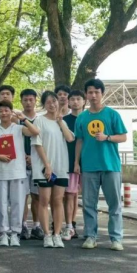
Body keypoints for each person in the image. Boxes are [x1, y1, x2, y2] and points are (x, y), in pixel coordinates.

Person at [75, 79, 127, 252]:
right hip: (89, 166)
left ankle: (116, 238)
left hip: (110, 165)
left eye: (97, 92)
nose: (93, 95)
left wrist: (107, 137)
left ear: (102, 94)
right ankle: (90, 236)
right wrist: (76, 162)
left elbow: (123, 137)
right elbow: (79, 141)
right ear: (86, 95)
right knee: (89, 204)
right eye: (90, 92)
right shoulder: (82, 117)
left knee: (114, 204)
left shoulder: (112, 114)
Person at [0, 101, 40, 248]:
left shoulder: (18, 128)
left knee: (18, 203)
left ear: (11, 112)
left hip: (18, 171)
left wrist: (24, 119)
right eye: (1, 111)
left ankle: (15, 233)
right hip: (0, 172)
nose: (4, 113)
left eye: (7, 110)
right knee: (0, 204)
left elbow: (35, 132)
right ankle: (3, 233)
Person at [32, 91, 74, 249]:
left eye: (54, 101)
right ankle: (47, 235)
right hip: (44, 167)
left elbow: (70, 138)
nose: (52, 104)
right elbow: (38, 144)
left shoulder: (61, 121)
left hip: (61, 166)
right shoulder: (39, 120)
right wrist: (47, 165)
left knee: (58, 201)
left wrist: (60, 121)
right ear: (44, 105)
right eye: (48, 102)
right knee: (44, 201)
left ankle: (57, 234)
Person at [63, 90, 86, 241]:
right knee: (69, 195)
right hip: (70, 162)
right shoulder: (64, 120)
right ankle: (69, 226)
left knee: (87, 196)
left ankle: (89, 228)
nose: (75, 102)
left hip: (89, 163)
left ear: (84, 101)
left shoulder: (89, 118)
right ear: (69, 102)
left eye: (78, 99)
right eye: (72, 99)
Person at [19, 89, 42, 241]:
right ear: (21, 101)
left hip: (37, 163)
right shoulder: (16, 119)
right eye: (25, 100)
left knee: (37, 196)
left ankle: (37, 225)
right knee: (22, 196)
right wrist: (23, 156)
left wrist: (34, 158)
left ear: (35, 101)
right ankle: (23, 226)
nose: (28, 102)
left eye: (31, 100)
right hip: (20, 163)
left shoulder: (40, 119)